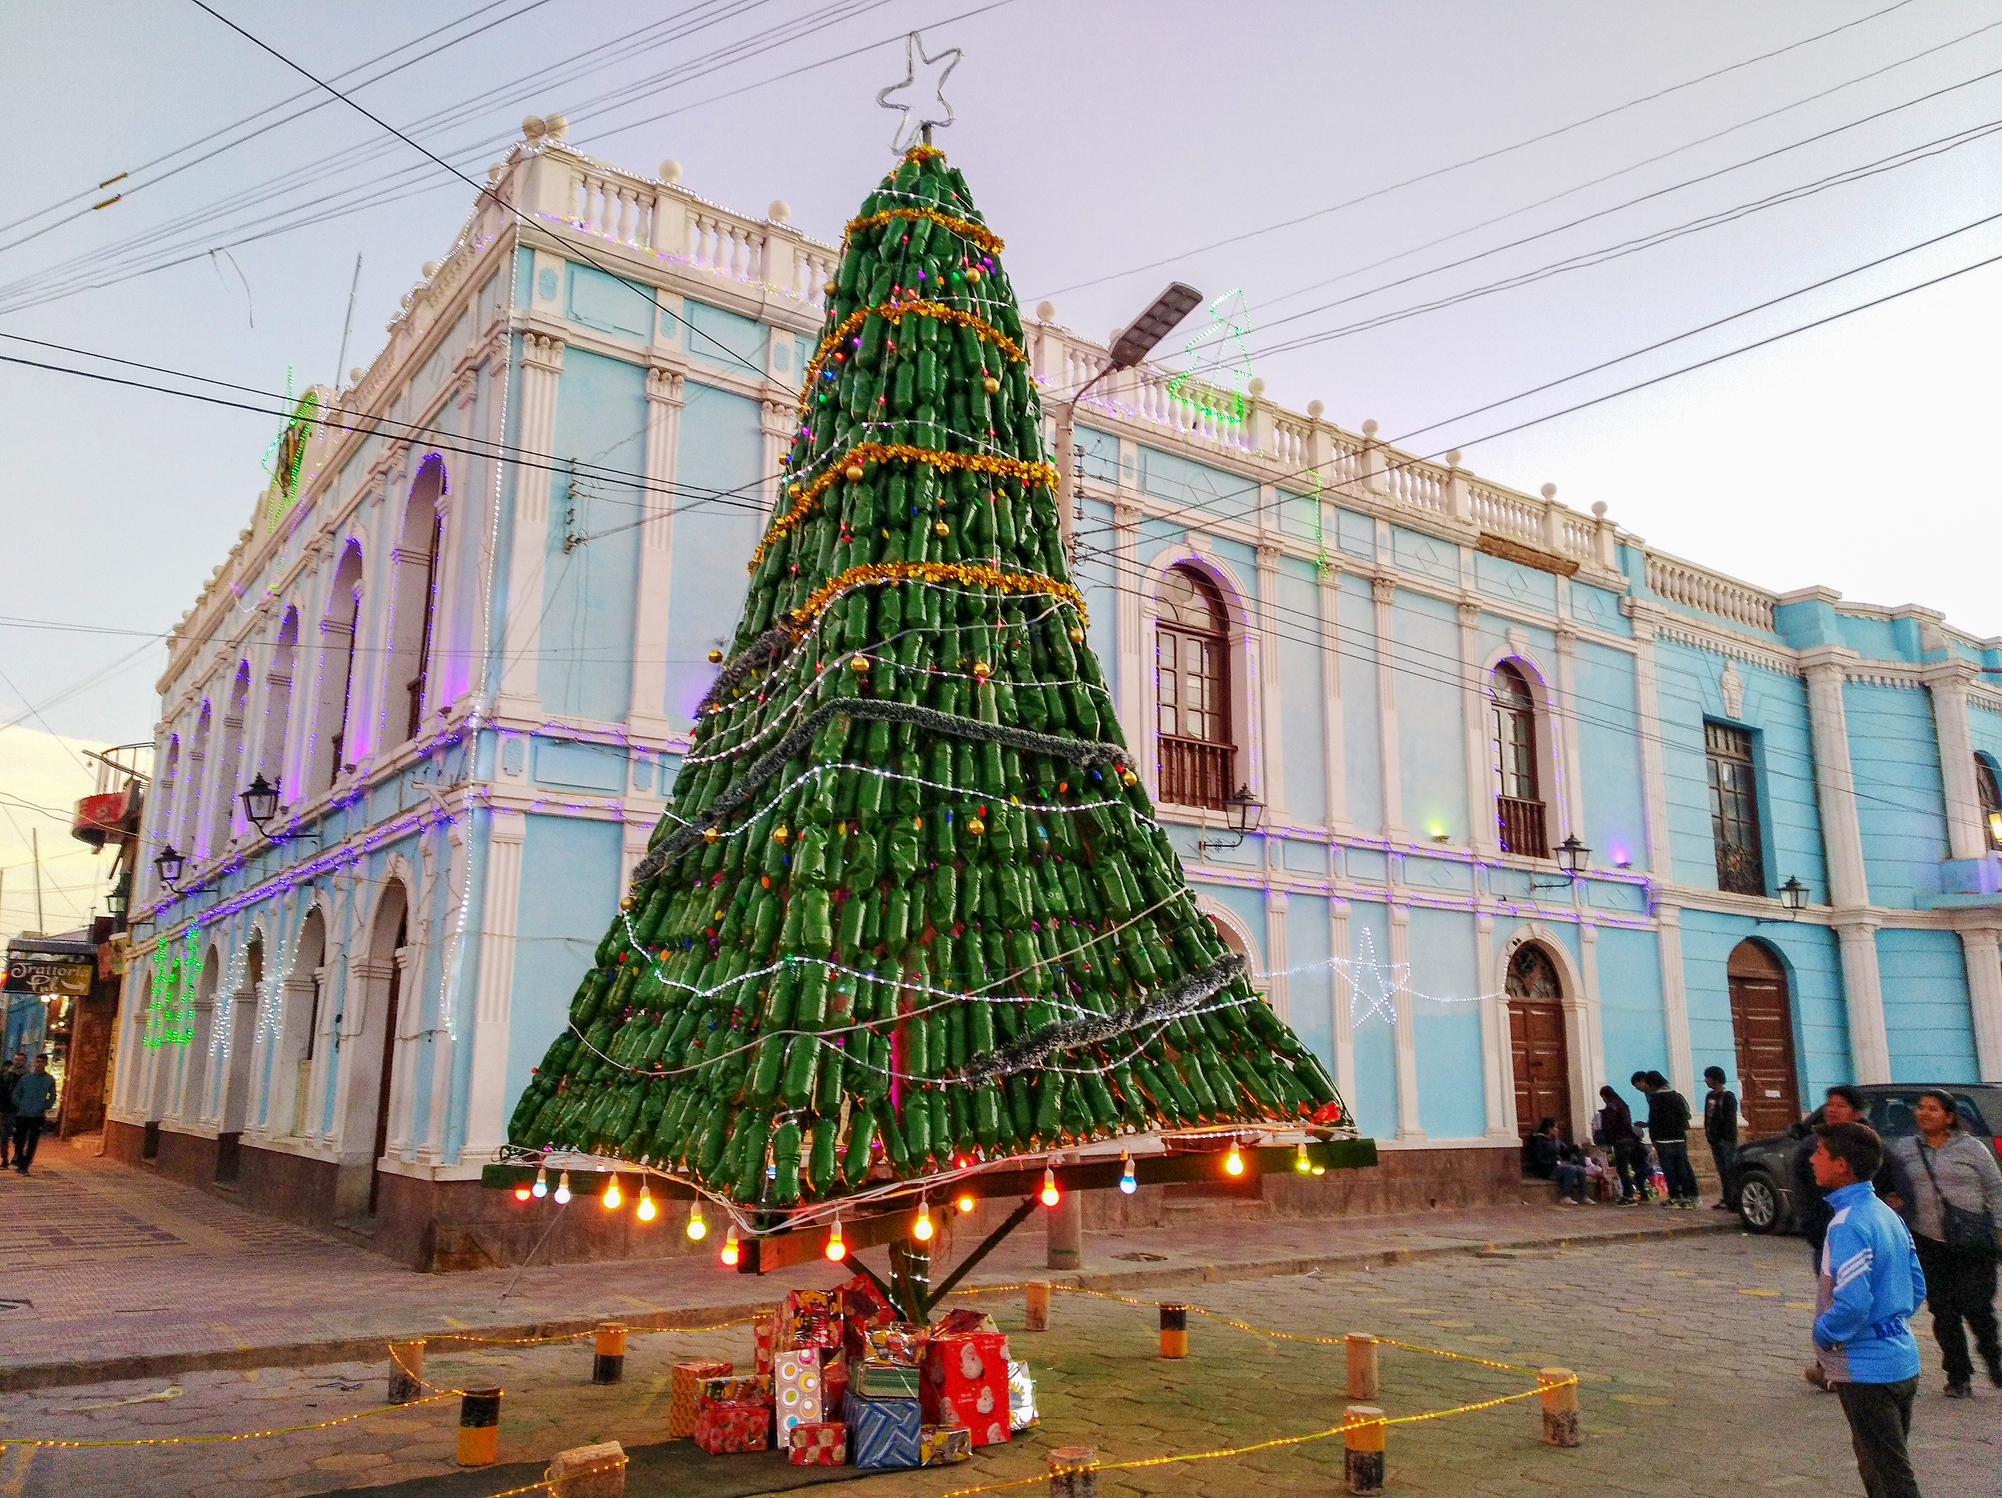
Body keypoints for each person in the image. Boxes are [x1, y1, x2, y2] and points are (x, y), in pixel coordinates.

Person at [1810, 1120, 1925, 1498]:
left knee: (1890, 1476)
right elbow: (1917, 1285)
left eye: (1820, 1153)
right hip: (1902, 1359)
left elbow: (1853, 1302)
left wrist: (1823, 1334)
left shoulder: (1847, 1223)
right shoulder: (1885, 1213)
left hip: (1866, 1372)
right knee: (1879, 1468)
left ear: (1842, 1165)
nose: (1812, 1160)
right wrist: (1892, 1322)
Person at [1886, 1088, 2002, 1398]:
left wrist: (2000, 1228)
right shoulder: (1905, 1149)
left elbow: (1996, 1189)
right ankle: (1958, 1375)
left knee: (1978, 1308)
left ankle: (1995, 1362)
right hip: (1928, 1242)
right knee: (1944, 1310)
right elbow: (1891, 1185)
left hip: (1973, 1241)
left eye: (1932, 1109)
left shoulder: (1972, 1148)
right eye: (1921, 1108)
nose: (1924, 1113)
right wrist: (1893, 1200)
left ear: (1949, 1117)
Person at [1631, 1070, 1698, 1208]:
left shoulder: (1656, 1099)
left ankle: (1674, 1196)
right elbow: (1685, 1117)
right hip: (1679, 1138)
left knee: (1669, 1169)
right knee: (1682, 1168)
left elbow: (1655, 1120)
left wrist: (1654, 1137)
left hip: (1664, 1140)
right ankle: (1687, 1197)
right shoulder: (1677, 1096)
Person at [1597, 1084, 1647, 1204]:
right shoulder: (1623, 1104)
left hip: (1620, 1141)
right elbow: (1627, 1122)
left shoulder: (1610, 1108)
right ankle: (1642, 1191)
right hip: (1631, 1140)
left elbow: (1611, 1126)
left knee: (1623, 1169)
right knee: (1636, 1167)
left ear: (1605, 1096)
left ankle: (1628, 1195)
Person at [10, 1054, 57, 1174]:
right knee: (19, 1140)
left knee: (32, 1141)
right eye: (37, 1062)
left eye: (41, 1062)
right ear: (33, 1063)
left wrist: (44, 1106)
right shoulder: (26, 1078)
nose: (39, 1064)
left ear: (45, 1064)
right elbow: (16, 1093)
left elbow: (52, 1096)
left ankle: (25, 1165)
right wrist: (20, 1105)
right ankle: (19, 1159)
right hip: (23, 1114)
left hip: (37, 1116)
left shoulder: (49, 1080)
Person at [1703, 1065, 1740, 1211]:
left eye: (1708, 1077)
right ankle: (1726, 1198)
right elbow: (1708, 1116)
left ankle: (1733, 1199)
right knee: (1721, 1170)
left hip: (1726, 1140)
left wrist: (1725, 1136)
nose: (1706, 1080)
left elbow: (1730, 1120)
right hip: (1714, 1139)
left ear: (1716, 1079)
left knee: (1729, 1169)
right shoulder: (1709, 1096)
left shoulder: (1728, 1097)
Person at [0, 1050, 24, 1170]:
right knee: (4, 1136)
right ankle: (4, 1159)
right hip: (7, 1109)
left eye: (20, 1060)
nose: (17, 1062)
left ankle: (16, 1158)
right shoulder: (5, 1075)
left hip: (21, 1111)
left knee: (18, 1137)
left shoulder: (26, 1076)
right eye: (16, 1059)